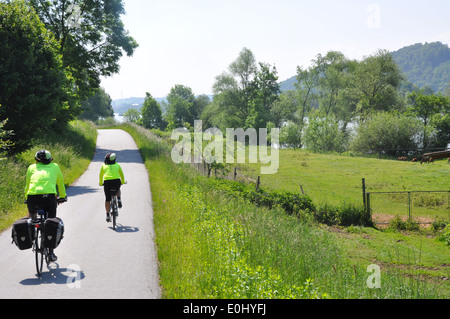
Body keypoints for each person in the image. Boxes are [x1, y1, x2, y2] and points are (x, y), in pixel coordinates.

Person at [24, 150, 67, 262]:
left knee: (32, 214)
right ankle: (51, 253)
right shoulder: (55, 166)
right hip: (49, 197)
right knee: (51, 222)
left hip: (32, 197)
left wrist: (26, 198)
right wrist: (62, 196)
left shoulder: (31, 167)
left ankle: (32, 233)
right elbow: (60, 183)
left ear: (37, 160)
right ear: (50, 159)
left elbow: (28, 184)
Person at [99, 153, 126, 222]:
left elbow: (101, 176)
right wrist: (122, 182)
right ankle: (119, 199)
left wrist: (101, 183)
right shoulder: (117, 165)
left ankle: (107, 215)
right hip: (116, 182)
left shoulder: (104, 166)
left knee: (107, 199)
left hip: (107, 183)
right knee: (118, 189)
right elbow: (122, 175)